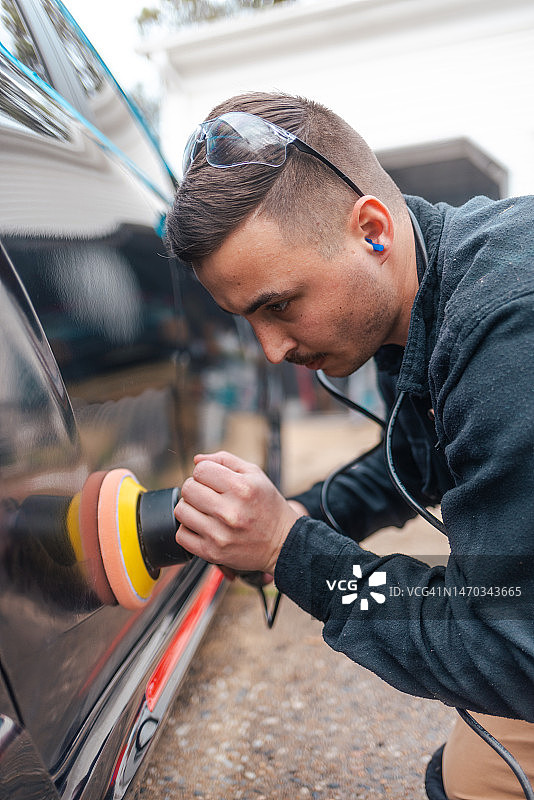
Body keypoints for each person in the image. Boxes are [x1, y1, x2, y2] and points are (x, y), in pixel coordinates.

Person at [167, 91, 534, 799]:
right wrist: (296, 514)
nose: (270, 349)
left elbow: (507, 644)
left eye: (278, 304)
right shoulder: (443, 275)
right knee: (470, 775)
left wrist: (289, 550)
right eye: (247, 319)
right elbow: (422, 451)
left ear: (370, 229)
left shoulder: (507, 332)